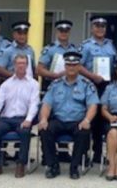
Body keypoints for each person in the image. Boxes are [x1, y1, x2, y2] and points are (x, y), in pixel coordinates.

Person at [39, 51, 98, 179]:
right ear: (65, 66)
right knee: (44, 130)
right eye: (69, 65)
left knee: (83, 132)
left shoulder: (87, 84)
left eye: (74, 65)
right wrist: (43, 119)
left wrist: (87, 120)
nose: (71, 68)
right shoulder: (55, 84)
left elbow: (92, 105)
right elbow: (47, 104)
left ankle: (74, 167)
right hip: (59, 120)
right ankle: (53, 165)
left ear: (79, 67)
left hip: (77, 120)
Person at [0, 54, 40, 178]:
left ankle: (21, 164)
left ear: (27, 66)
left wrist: (28, 120)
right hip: (6, 119)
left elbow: (34, 104)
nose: (21, 66)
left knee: (25, 132)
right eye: (18, 63)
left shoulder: (34, 84)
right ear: (14, 65)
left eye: (23, 63)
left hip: (22, 118)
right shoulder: (6, 84)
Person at [80, 15, 116, 164]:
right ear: (92, 28)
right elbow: (79, 65)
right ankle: (84, 154)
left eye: (102, 26)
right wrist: (92, 76)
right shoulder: (86, 45)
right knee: (90, 119)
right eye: (97, 26)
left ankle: (99, 153)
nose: (100, 29)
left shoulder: (111, 45)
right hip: (90, 85)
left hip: (106, 86)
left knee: (103, 120)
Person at [37, 19, 79, 92]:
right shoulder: (49, 49)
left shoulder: (74, 50)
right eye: (61, 31)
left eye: (66, 31)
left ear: (69, 32)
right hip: (52, 85)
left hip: (70, 85)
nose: (64, 33)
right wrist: (55, 75)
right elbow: (39, 70)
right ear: (57, 32)